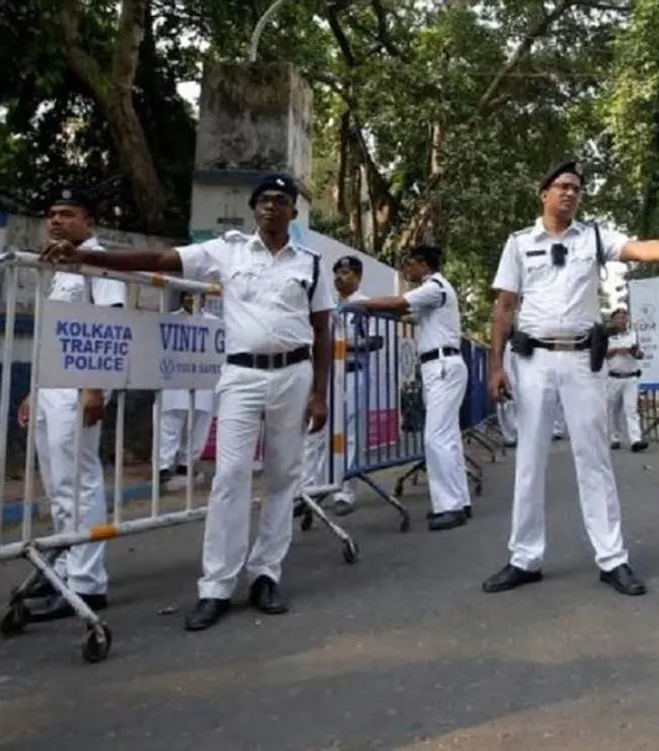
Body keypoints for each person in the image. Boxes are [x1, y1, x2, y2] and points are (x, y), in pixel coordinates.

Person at [39, 172, 335, 630]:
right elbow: (159, 258)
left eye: (280, 201)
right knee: (230, 478)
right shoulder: (225, 250)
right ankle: (216, 586)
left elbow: (322, 331)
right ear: (253, 209)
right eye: (263, 200)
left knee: (282, 477)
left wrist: (320, 395)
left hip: (294, 375)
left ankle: (265, 573)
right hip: (240, 374)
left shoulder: (312, 263)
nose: (270, 207)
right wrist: (84, 257)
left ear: (294, 211)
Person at [484, 157, 659, 596]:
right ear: (544, 193)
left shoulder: (594, 237)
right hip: (533, 363)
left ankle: (612, 558)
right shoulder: (520, 243)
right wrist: (494, 366)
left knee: (595, 460)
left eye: (577, 188)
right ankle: (524, 557)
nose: (570, 193)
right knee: (529, 462)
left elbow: (638, 248)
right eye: (562, 186)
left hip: (583, 361)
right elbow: (504, 308)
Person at [18, 187, 127, 621]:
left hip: (80, 386)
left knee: (78, 482)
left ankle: (87, 583)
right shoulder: (60, 266)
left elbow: (108, 325)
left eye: (67, 213)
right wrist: (34, 388)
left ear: (89, 222)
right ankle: (65, 564)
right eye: (52, 213)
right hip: (53, 385)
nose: (56, 220)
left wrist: (95, 387)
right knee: (58, 485)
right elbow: (54, 334)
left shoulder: (98, 263)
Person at [343, 245, 473, 531]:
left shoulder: (434, 287)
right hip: (441, 365)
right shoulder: (436, 291)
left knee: (436, 438)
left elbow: (398, 303)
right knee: (447, 437)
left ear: (423, 264)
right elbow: (407, 314)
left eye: (409, 263)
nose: (406, 269)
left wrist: (361, 304)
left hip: (441, 365)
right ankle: (459, 501)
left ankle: (449, 506)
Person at [299, 255, 383, 516]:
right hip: (326, 376)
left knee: (349, 433)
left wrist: (340, 346)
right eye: (337, 272)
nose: (339, 277)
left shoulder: (367, 304)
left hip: (353, 372)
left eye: (346, 273)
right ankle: (307, 489)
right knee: (316, 431)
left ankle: (344, 490)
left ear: (358, 277)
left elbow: (375, 340)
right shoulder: (327, 303)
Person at [158, 290, 217, 490]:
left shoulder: (214, 323)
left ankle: (186, 463)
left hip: (203, 380)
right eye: (187, 296)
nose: (192, 300)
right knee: (170, 424)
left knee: (198, 426)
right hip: (175, 380)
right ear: (181, 299)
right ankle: (163, 467)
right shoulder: (169, 320)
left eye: (196, 296)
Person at [605, 308, 647, 452]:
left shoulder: (633, 335)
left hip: (631, 377)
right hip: (614, 377)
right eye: (618, 318)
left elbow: (639, 354)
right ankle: (614, 437)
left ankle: (635, 440)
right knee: (613, 410)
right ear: (613, 320)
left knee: (631, 410)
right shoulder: (608, 336)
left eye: (624, 318)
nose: (621, 321)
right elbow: (602, 355)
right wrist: (616, 350)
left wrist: (634, 352)